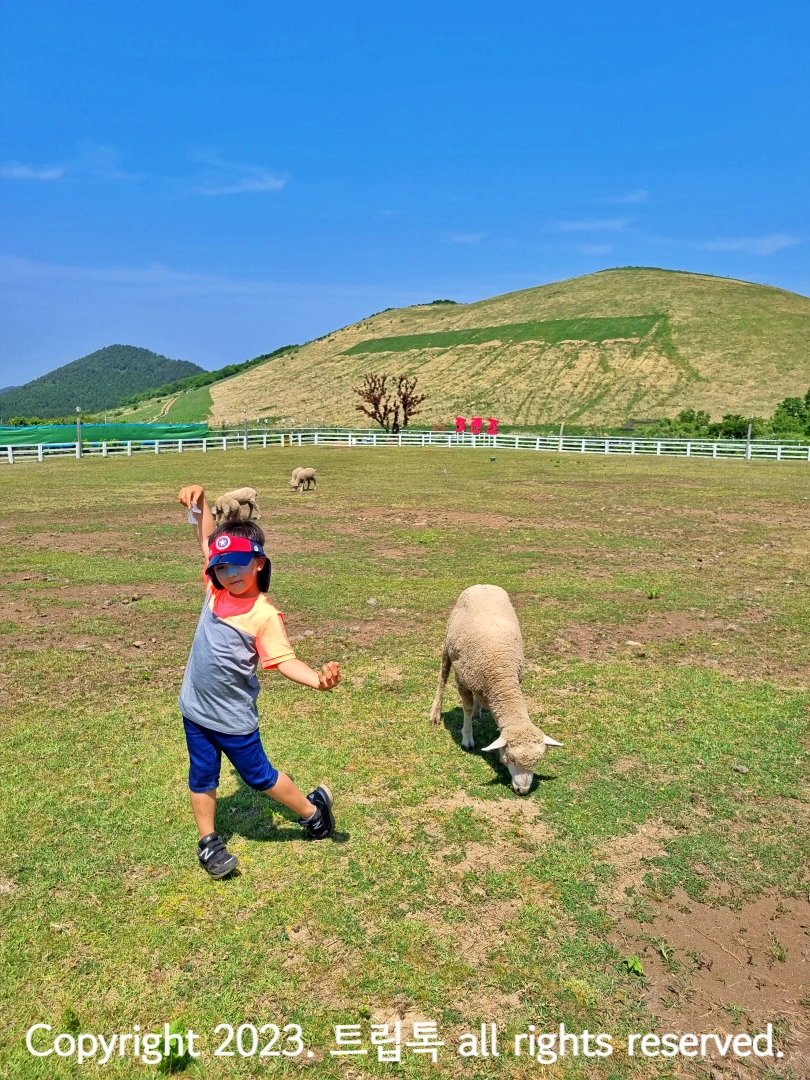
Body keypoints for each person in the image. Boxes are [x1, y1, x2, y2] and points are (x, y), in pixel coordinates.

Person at [176, 484, 341, 879]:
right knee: (201, 777)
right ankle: (209, 844)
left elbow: (284, 661)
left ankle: (312, 812)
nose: (228, 574)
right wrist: (200, 502)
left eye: (236, 565)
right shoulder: (215, 591)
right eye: (221, 567)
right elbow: (206, 539)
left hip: (233, 720)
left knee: (259, 777)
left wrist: (317, 681)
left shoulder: (264, 616)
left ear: (259, 564)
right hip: (196, 710)